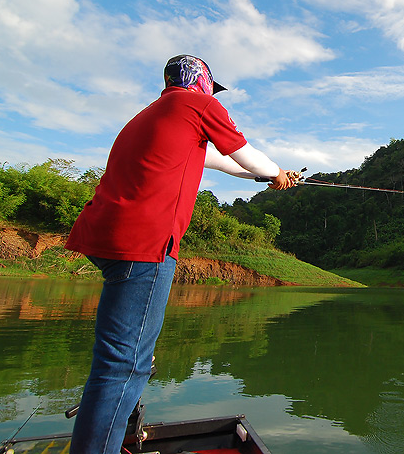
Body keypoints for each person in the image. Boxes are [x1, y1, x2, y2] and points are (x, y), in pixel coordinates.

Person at [66, 55, 295, 454]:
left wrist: (269, 175)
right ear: (201, 81)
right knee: (125, 366)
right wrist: (276, 172)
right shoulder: (198, 105)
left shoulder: (156, 115)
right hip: (145, 243)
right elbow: (244, 151)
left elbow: (226, 163)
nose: (213, 93)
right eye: (211, 86)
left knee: (114, 361)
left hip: (106, 236)